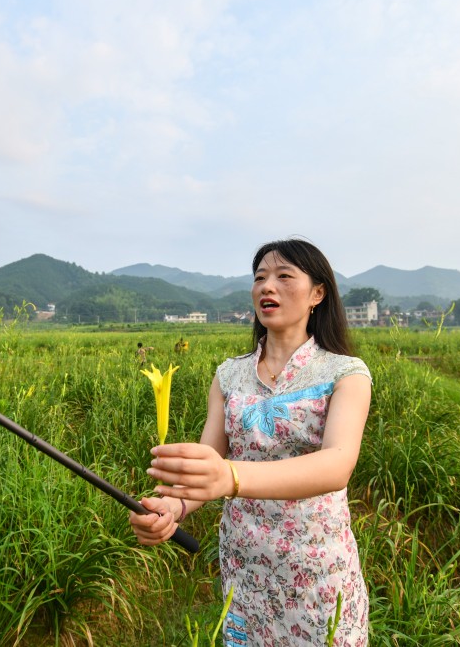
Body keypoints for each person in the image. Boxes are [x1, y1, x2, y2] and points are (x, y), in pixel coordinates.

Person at [129, 238, 372, 646]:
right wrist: (171, 508)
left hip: (317, 572)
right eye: (259, 277)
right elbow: (209, 463)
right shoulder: (229, 375)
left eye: (283, 276)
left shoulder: (345, 373)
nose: (266, 286)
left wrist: (231, 478)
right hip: (246, 570)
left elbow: (337, 464)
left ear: (318, 293)